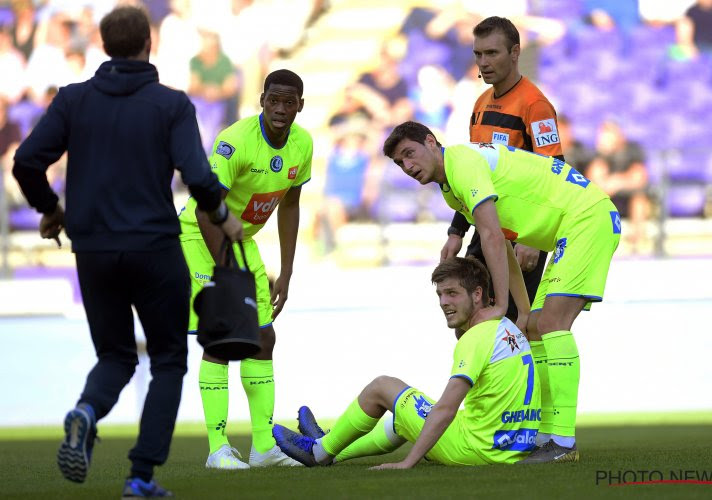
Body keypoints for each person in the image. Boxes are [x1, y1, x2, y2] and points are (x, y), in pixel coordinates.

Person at [11, 6, 242, 497]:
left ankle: (86, 412)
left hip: (92, 250)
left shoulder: (73, 100)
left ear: (104, 44)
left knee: (115, 356)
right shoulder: (171, 104)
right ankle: (140, 477)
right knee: (167, 360)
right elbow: (198, 177)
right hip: (155, 248)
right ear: (148, 44)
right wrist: (224, 217)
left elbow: (28, 161)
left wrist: (50, 209)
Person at [383, 121, 621, 463]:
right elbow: (505, 242)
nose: (407, 166)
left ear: (432, 143)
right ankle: (545, 435)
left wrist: (499, 305)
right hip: (571, 226)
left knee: (553, 323)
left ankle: (563, 442)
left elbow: (492, 237)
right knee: (537, 325)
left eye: (410, 153)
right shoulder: (452, 185)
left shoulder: (462, 164)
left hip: (586, 217)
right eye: (399, 163)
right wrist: (521, 311)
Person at [273, 256, 541, 468]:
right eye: (440, 295)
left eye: (452, 293)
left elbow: (447, 409)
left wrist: (407, 462)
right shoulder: (506, 326)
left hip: (477, 449)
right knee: (403, 417)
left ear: (478, 294)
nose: (443, 303)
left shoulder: (476, 338)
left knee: (382, 387)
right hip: (511, 448)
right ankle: (330, 447)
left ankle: (318, 451)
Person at [179, 69, 312, 470]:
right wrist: (226, 277)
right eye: (274, 100)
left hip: (241, 241)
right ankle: (217, 449)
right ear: (262, 100)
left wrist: (286, 270)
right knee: (221, 336)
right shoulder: (234, 142)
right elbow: (206, 208)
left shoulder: (302, 144)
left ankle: (262, 447)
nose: (280, 109)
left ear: (300, 106)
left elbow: (289, 205)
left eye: (289, 102)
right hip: (201, 238)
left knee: (263, 338)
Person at [441, 16, 565, 446]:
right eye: (478, 54)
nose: (483, 62)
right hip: (484, 231)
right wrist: (457, 229)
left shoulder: (535, 105)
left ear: (515, 52)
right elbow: (471, 173)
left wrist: (533, 238)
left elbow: (556, 171)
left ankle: (526, 427)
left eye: (492, 53)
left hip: (520, 236)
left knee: (515, 329)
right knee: (473, 323)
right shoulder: (479, 103)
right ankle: (485, 416)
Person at [585, 118, 649, 250]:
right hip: (608, 200)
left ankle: (637, 242)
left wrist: (616, 181)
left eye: (610, 133)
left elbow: (639, 178)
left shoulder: (633, 150)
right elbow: (594, 182)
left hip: (628, 199)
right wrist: (602, 155)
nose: (606, 137)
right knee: (593, 199)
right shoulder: (599, 155)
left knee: (639, 199)